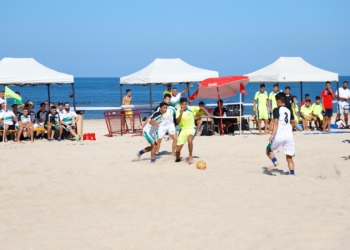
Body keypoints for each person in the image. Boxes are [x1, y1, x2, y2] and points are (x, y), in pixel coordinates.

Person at [175, 97, 212, 164]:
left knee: (189, 140)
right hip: (183, 130)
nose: (184, 105)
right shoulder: (178, 111)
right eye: (183, 104)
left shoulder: (191, 108)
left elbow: (201, 108)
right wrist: (181, 113)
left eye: (185, 104)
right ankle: (178, 157)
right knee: (177, 151)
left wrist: (208, 114)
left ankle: (190, 156)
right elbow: (177, 122)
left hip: (191, 129)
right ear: (180, 104)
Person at [266, 92, 295, 176]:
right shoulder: (289, 110)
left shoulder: (276, 109)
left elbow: (276, 122)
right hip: (289, 135)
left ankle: (275, 162)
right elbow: (292, 122)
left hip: (280, 135)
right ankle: (292, 174)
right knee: (289, 157)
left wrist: (272, 135)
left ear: (278, 101)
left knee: (268, 150)